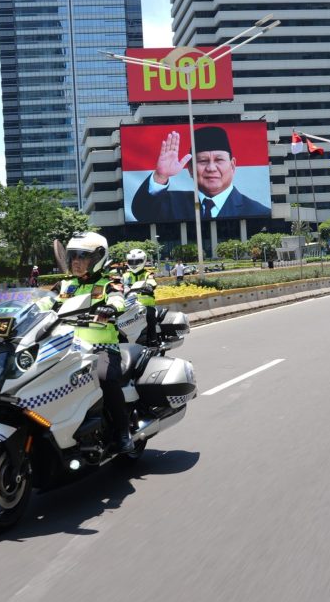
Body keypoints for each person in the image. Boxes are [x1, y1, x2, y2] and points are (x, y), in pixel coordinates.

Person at [53, 232, 133, 453]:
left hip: (102, 349)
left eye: (83, 257)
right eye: (73, 257)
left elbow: (119, 300)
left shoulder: (109, 284)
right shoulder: (66, 286)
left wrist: (111, 308)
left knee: (105, 378)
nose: (76, 262)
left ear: (98, 258)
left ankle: (122, 431)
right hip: (68, 348)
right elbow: (45, 304)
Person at [130, 126, 271, 222]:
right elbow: (142, 212)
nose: (211, 168)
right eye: (203, 161)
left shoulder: (257, 211)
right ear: (190, 169)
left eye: (219, 160)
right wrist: (161, 176)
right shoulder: (171, 203)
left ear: (232, 165)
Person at [122, 248, 159, 346]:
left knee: (149, 315)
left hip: (146, 305)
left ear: (143, 261)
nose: (134, 264)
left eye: (137, 261)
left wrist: (149, 287)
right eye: (131, 261)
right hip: (129, 305)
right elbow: (119, 285)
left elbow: (152, 282)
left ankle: (153, 341)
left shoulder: (148, 274)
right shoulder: (125, 276)